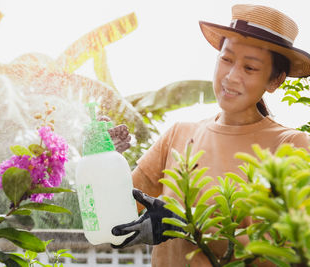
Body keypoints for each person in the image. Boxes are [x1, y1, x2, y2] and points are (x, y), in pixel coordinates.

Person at [110, 4, 310, 267]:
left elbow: (290, 254)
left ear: (275, 80)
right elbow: (119, 219)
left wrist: (185, 225)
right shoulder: (178, 135)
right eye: (226, 59)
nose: (231, 76)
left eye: (249, 68)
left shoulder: (292, 146)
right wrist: (108, 161)